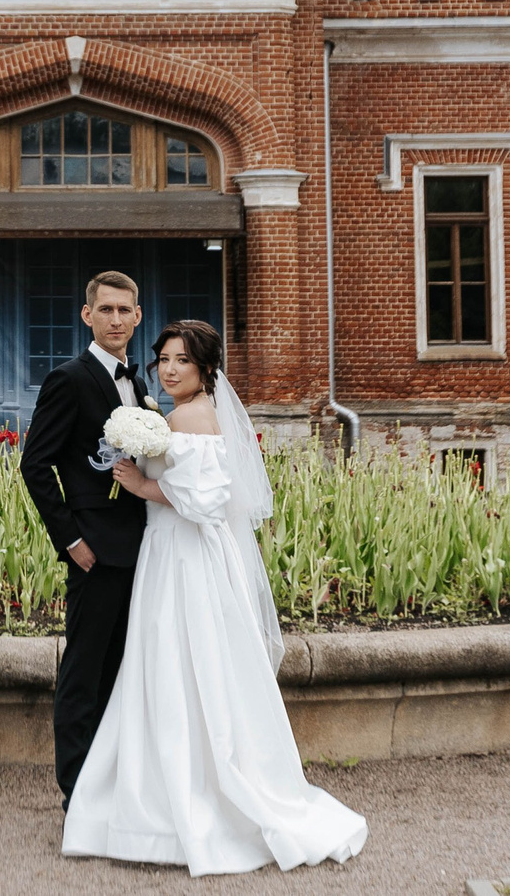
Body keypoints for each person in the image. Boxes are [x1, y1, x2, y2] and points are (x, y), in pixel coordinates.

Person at [63, 320, 367, 875]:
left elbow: (203, 500)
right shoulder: (185, 412)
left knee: (176, 663)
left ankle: (171, 804)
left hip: (182, 555)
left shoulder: (187, 416)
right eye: (164, 360)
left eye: (182, 360)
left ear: (205, 369)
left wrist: (140, 486)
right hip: (176, 550)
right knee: (186, 665)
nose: (170, 369)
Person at [19, 269, 150, 807]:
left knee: (120, 669)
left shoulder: (139, 383)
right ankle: (76, 792)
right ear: (87, 315)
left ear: (138, 317)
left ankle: (110, 781)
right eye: (106, 310)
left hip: (140, 546)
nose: (116, 319)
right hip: (94, 552)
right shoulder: (69, 379)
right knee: (83, 671)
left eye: (125, 311)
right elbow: (35, 465)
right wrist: (71, 541)